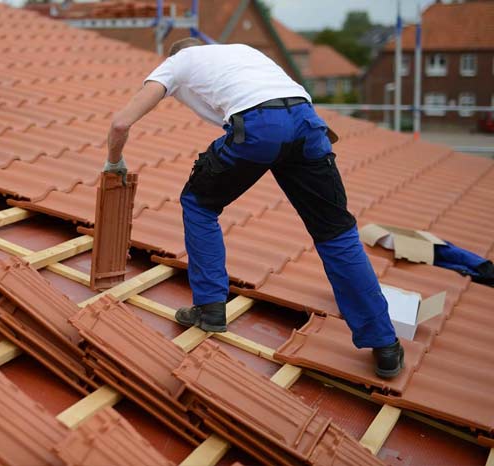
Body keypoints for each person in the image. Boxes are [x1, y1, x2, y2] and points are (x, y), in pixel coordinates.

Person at [103, 38, 404, 378]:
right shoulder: (243, 53)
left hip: (260, 127)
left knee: (198, 204)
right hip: (308, 122)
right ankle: (385, 345)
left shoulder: (178, 62)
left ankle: (209, 307)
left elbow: (121, 123)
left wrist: (114, 162)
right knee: (336, 233)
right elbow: (286, 103)